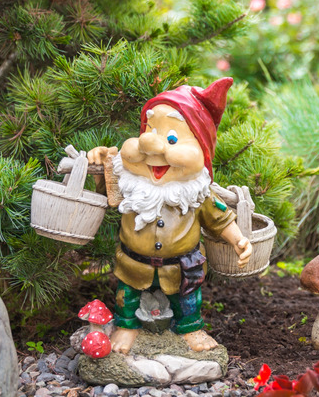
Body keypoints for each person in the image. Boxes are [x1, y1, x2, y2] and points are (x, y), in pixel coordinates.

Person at [87, 78, 252, 353]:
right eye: (149, 130)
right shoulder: (130, 183)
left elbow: (220, 218)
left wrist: (238, 240)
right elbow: (105, 191)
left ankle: (190, 329)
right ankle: (127, 326)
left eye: (172, 138)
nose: (151, 146)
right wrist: (100, 163)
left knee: (188, 301)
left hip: (181, 267)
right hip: (133, 263)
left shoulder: (197, 192)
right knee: (126, 296)